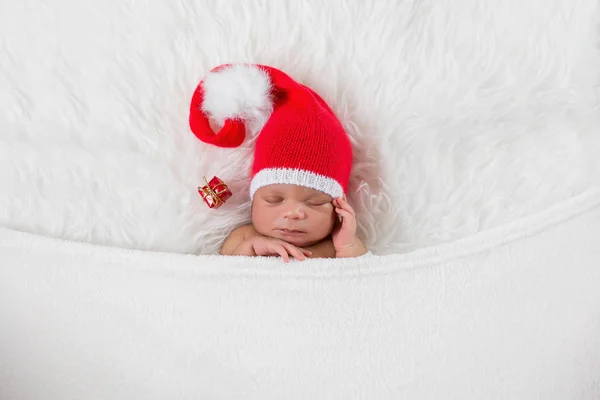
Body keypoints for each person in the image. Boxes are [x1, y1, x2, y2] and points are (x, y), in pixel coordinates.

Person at [189, 63, 367, 261]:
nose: (294, 213)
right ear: (253, 203)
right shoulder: (245, 237)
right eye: (274, 200)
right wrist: (249, 249)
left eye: (315, 203)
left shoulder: (337, 245)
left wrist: (348, 244)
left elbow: (359, 275)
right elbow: (224, 273)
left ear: (337, 211)